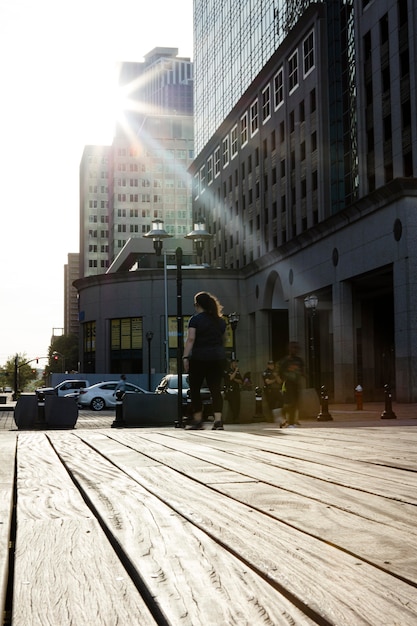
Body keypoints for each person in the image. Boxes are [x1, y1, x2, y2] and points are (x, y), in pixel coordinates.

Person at [182, 291, 227, 430]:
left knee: (195, 389)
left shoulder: (195, 320)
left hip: (199, 358)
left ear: (197, 305)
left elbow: (190, 339)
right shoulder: (220, 321)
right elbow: (224, 340)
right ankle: (218, 421)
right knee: (215, 390)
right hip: (217, 358)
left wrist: (185, 357)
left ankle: (198, 419)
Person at [279, 342, 305, 427]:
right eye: (293, 348)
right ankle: (287, 419)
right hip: (288, 384)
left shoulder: (299, 361)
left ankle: (291, 422)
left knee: (295, 403)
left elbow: (302, 371)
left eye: (296, 348)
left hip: (296, 384)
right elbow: (280, 372)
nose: (295, 350)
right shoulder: (285, 361)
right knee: (290, 402)